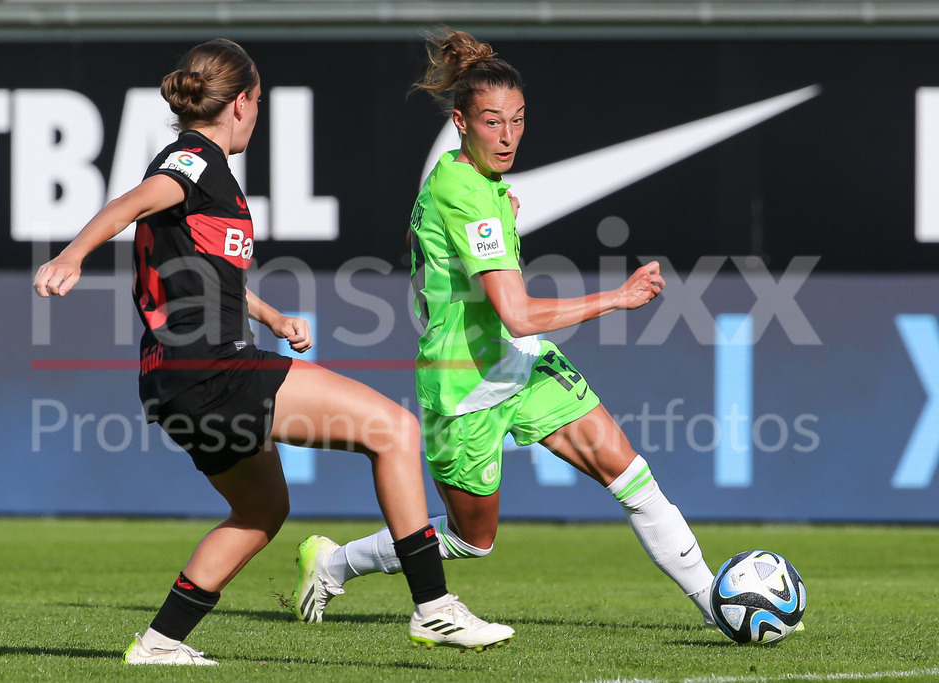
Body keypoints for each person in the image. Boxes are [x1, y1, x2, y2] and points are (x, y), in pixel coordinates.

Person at [32, 38, 514, 666]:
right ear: (240, 103)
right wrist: (72, 254)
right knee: (392, 430)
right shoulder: (193, 159)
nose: (258, 115)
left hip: (173, 380)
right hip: (213, 369)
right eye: (257, 102)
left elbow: (207, 277)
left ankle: (159, 642)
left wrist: (271, 315)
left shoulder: (202, 169)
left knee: (262, 510)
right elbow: (136, 199)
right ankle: (435, 610)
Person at [295, 29, 720, 631]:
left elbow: (483, 292)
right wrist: (617, 299)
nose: (508, 135)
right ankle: (335, 562)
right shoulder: (465, 190)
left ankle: (718, 606)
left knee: (631, 475)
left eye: (517, 121)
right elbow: (515, 312)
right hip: (463, 382)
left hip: (519, 363)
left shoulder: (469, 181)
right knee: (473, 540)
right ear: (462, 123)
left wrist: (499, 220)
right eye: (492, 122)